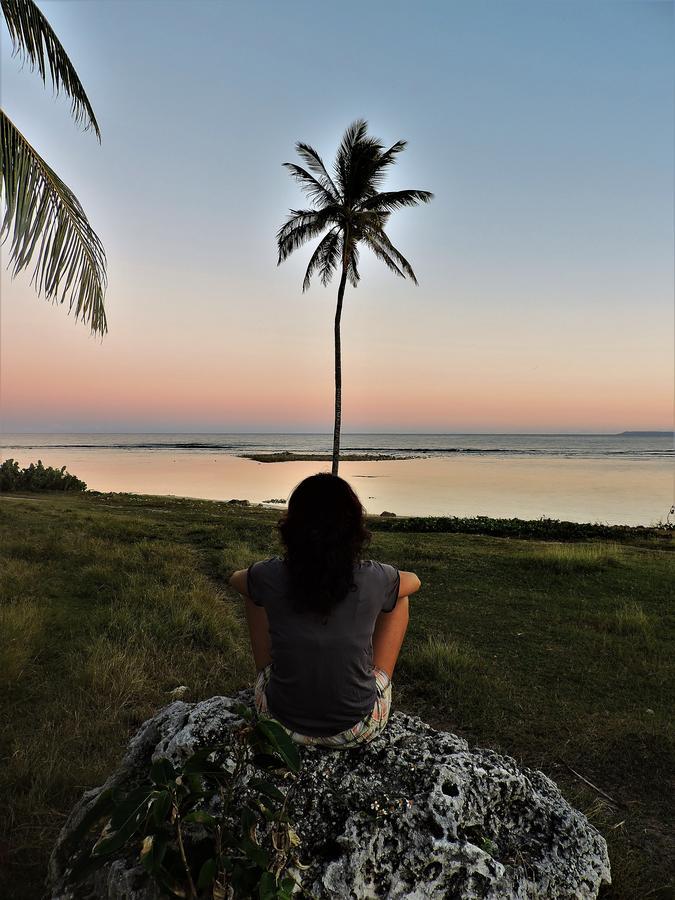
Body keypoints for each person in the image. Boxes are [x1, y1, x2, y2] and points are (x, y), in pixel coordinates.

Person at [228, 472, 420, 748]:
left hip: (279, 724)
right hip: (357, 727)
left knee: (253, 592)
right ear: (354, 528)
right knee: (399, 598)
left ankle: (267, 672)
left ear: (292, 528)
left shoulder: (270, 574)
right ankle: (379, 676)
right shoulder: (373, 576)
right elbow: (414, 581)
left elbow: (235, 579)